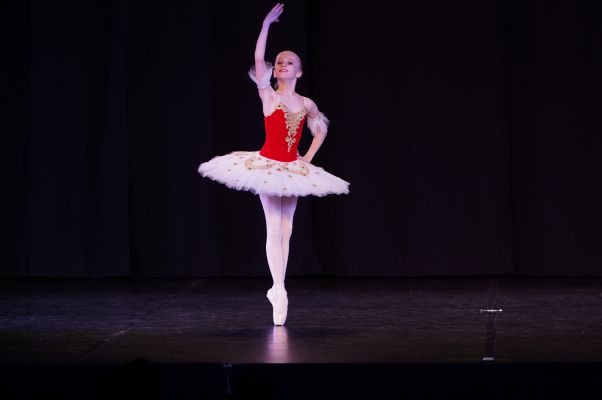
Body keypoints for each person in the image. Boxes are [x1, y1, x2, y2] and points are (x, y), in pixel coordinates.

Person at [198, 3, 349, 326]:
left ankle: (278, 286)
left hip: (292, 168)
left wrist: (308, 157)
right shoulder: (269, 95)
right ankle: (279, 289)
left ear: (299, 72)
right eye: (279, 61)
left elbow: (320, 128)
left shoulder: (306, 103)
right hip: (267, 166)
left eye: (288, 62)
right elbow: (258, 59)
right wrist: (266, 24)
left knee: (287, 228)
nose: (281, 64)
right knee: (274, 226)